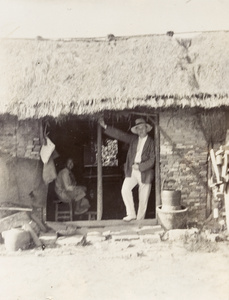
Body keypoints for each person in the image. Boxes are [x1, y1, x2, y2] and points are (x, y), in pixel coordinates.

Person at [99, 117, 155, 221]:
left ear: (146, 128)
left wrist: (140, 166)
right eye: (138, 128)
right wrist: (105, 126)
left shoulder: (151, 142)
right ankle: (131, 214)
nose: (140, 130)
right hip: (133, 170)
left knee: (143, 199)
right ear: (136, 130)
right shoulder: (133, 140)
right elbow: (120, 135)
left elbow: (152, 160)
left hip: (145, 172)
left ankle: (140, 221)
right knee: (125, 190)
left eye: (142, 128)